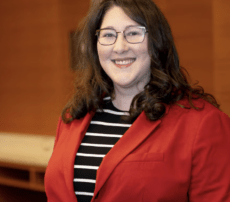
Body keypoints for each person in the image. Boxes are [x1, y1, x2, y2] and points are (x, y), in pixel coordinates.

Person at [44, 0, 230, 201]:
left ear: (157, 41)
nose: (120, 47)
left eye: (133, 33)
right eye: (108, 35)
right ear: (95, 45)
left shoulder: (203, 123)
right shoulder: (73, 117)